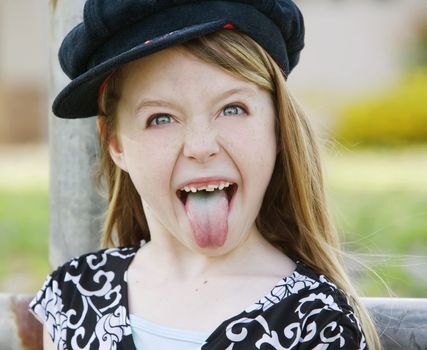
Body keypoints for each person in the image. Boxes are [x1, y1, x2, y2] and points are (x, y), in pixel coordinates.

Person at [29, 1, 381, 349]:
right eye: (160, 118)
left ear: (277, 126)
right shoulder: (72, 296)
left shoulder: (318, 324)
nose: (200, 146)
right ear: (116, 142)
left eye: (232, 109)